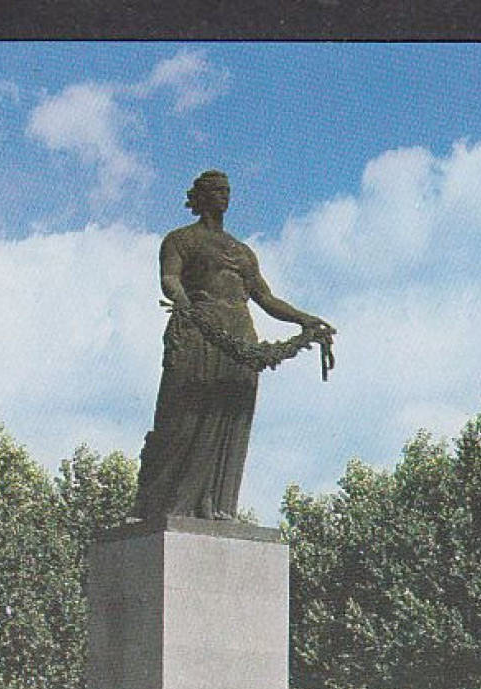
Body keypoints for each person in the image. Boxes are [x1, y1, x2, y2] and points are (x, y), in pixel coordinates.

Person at [135, 169, 335, 524]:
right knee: (183, 418)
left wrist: (305, 320)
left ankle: (218, 503)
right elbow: (169, 278)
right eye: (217, 190)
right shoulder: (180, 240)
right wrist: (182, 300)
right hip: (199, 332)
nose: (224, 196)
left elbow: (266, 298)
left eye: (227, 190)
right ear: (200, 197)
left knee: (231, 419)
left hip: (240, 337)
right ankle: (164, 505)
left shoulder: (242, 252)